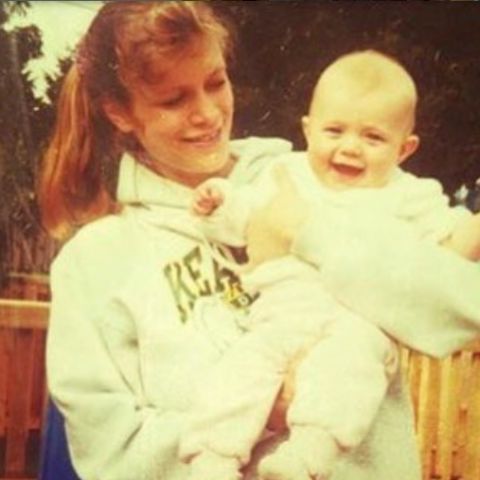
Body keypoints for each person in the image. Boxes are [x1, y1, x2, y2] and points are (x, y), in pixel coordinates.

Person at [38, 3, 480, 480]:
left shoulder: (320, 181)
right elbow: (113, 453)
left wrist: (304, 232)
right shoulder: (96, 261)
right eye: (173, 100)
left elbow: (457, 309)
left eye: (215, 82)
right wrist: (269, 408)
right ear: (119, 113)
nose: (207, 114)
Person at [178, 50, 480, 480]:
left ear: (404, 148)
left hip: (356, 321)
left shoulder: (411, 195)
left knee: (351, 368)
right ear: (308, 129)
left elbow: (450, 244)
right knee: (241, 371)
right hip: (279, 314)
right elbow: (245, 217)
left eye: (373, 138)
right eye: (334, 130)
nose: (350, 148)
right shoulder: (287, 174)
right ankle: (211, 459)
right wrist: (217, 205)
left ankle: (309, 457)